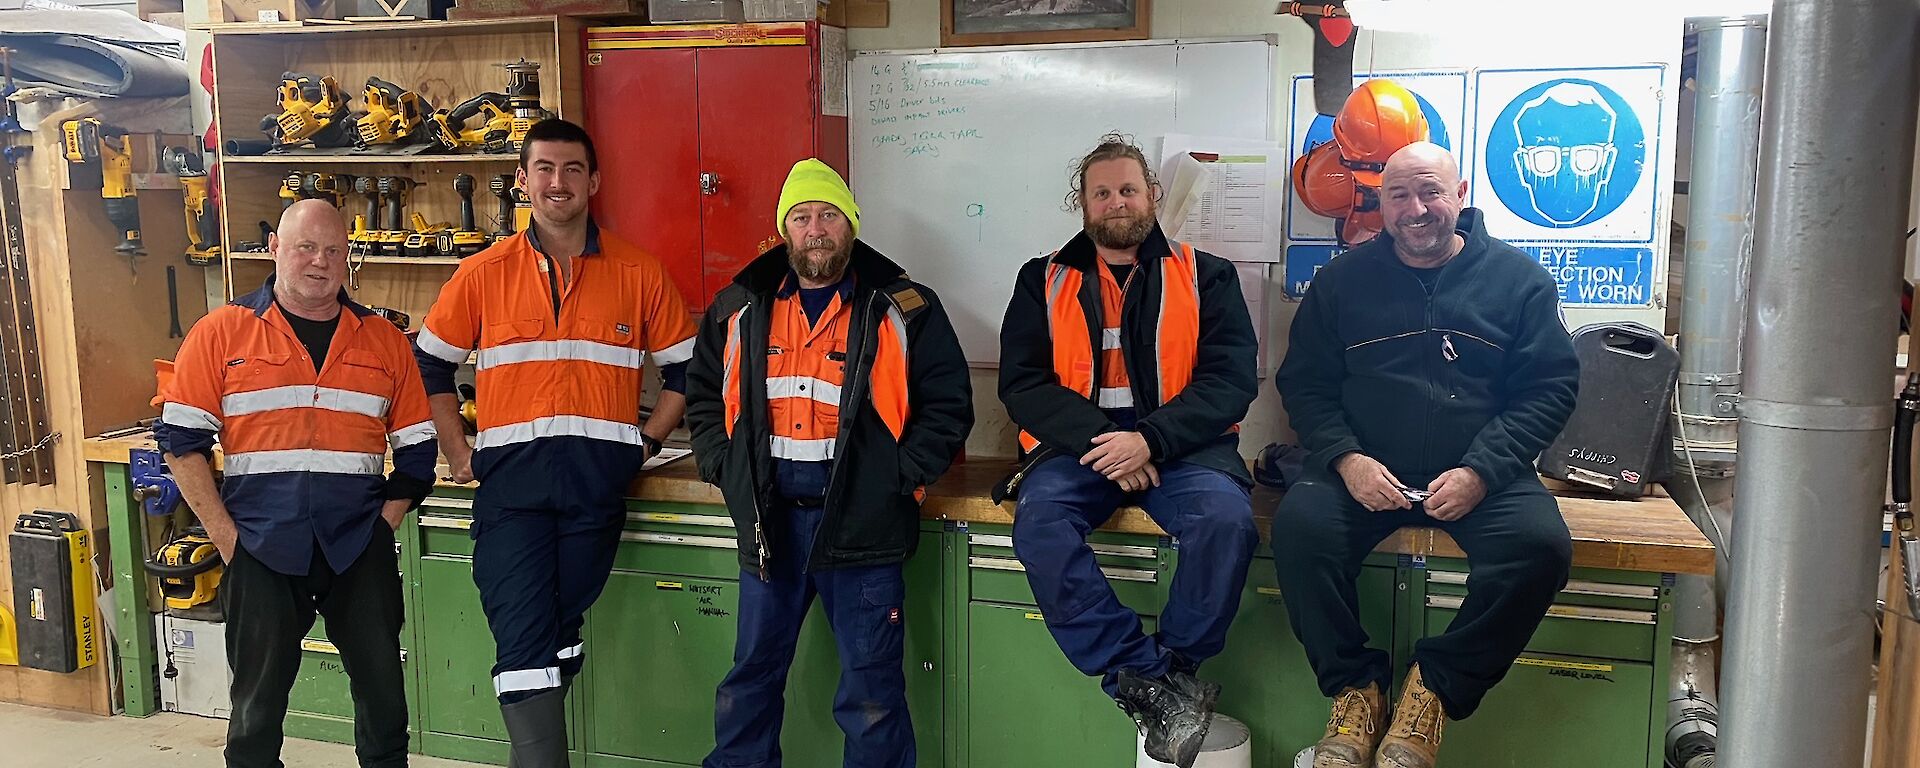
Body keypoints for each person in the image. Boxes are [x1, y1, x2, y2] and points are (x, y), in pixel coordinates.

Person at [1273, 141, 1580, 768]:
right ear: (1380, 204)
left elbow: (1549, 391)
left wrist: (1482, 471)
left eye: (1430, 192)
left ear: (1460, 195)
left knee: (1540, 550)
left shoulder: (1519, 283)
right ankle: (1356, 693)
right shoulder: (1341, 282)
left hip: (1481, 473)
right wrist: (1346, 459)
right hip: (1364, 470)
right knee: (1301, 533)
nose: (1417, 208)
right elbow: (1305, 385)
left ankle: (1432, 694)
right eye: (1400, 195)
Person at [411, 118, 697, 767]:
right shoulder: (483, 274)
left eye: (572, 170)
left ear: (593, 181)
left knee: (557, 633)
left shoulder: (639, 272)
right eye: (543, 169)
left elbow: (688, 375)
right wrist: (458, 451)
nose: (557, 183)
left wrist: (644, 444)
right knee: (523, 639)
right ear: (522, 181)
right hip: (511, 493)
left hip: (596, 492)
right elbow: (428, 365)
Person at [686, 158, 972, 768]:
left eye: (829, 216)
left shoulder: (905, 306)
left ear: (852, 225)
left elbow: (948, 405)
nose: (816, 228)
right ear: (785, 229)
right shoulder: (738, 304)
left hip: (863, 527)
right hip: (769, 525)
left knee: (871, 693)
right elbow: (703, 391)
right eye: (803, 216)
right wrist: (720, 463)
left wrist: (897, 476)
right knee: (750, 679)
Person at [996, 134, 1260, 768]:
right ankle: (1143, 678)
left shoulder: (1208, 276)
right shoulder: (1041, 280)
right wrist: (1105, 443)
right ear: (1082, 204)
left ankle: (1176, 673)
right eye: (1102, 192)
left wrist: (1149, 439)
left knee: (1226, 523)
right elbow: (1022, 383)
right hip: (1075, 451)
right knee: (1040, 525)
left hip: (1184, 450)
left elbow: (1231, 381)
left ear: (1153, 195)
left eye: (1128, 189)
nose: (1117, 202)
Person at [157, 199, 435, 768]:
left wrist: (382, 526)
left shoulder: (383, 340)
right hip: (259, 543)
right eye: (306, 248)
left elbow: (417, 451)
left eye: (334, 250)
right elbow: (181, 444)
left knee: (385, 702)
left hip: (358, 544)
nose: (320, 262)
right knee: (255, 712)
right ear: (276, 250)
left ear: (348, 259)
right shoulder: (222, 333)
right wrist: (228, 541)